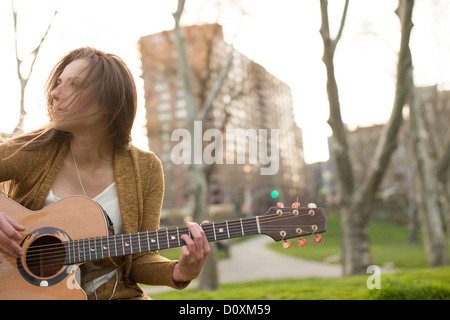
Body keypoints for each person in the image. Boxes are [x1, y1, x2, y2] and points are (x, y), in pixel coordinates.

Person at [0, 47, 210, 300]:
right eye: (58, 83)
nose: (55, 94)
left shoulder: (146, 169)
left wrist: (179, 271)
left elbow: (139, 258)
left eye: (74, 84)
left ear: (107, 104)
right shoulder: (31, 151)